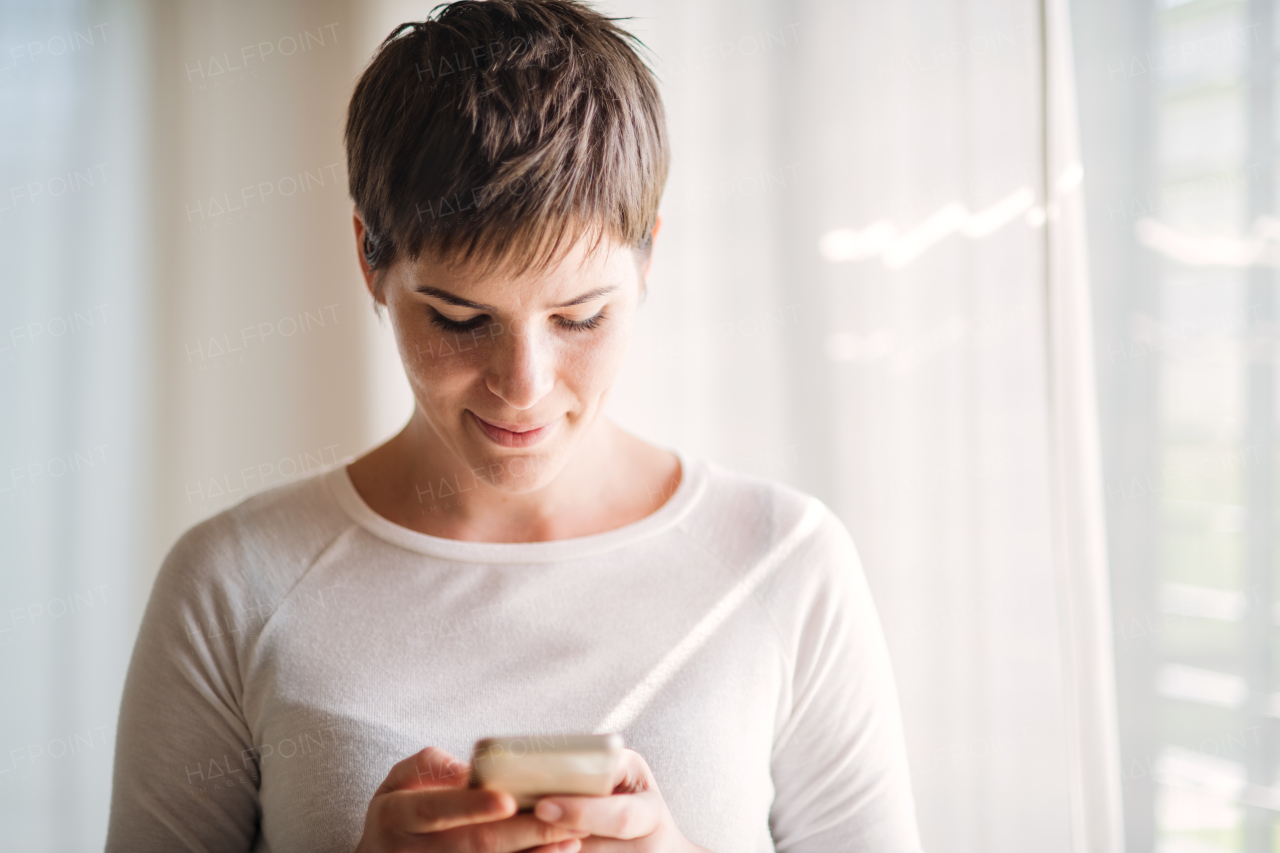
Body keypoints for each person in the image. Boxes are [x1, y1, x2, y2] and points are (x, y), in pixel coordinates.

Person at [106, 1, 923, 851]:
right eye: (460, 320)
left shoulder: (785, 564)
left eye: (580, 317)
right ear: (370, 259)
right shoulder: (231, 586)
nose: (523, 388)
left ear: (648, 257)